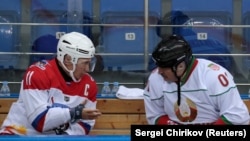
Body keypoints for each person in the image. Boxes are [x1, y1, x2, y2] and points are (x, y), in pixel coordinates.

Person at [0, 32, 102, 135]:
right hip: (18, 136)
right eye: (84, 63)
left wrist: (66, 136)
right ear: (67, 59)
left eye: (90, 63)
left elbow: (86, 125)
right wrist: (73, 113)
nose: (87, 69)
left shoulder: (89, 85)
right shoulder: (37, 74)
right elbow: (40, 122)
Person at [143, 34, 250, 125]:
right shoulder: (155, 78)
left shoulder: (214, 76)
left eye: (165, 67)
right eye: (159, 66)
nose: (159, 71)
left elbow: (238, 117)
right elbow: (155, 116)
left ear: (181, 66)